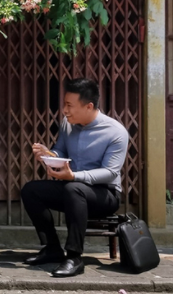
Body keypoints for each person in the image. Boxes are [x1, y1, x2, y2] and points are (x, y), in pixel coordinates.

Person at [21, 77, 128, 278]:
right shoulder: (67, 124)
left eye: (69, 106)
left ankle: (74, 257)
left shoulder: (116, 132)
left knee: (74, 188)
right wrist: (48, 156)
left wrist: (73, 176)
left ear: (89, 106)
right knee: (31, 190)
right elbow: (60, 151)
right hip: (73, 188)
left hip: (105, 195)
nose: (65, 110)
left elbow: (110, 172)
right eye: (65, 104)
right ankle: (51, 247)